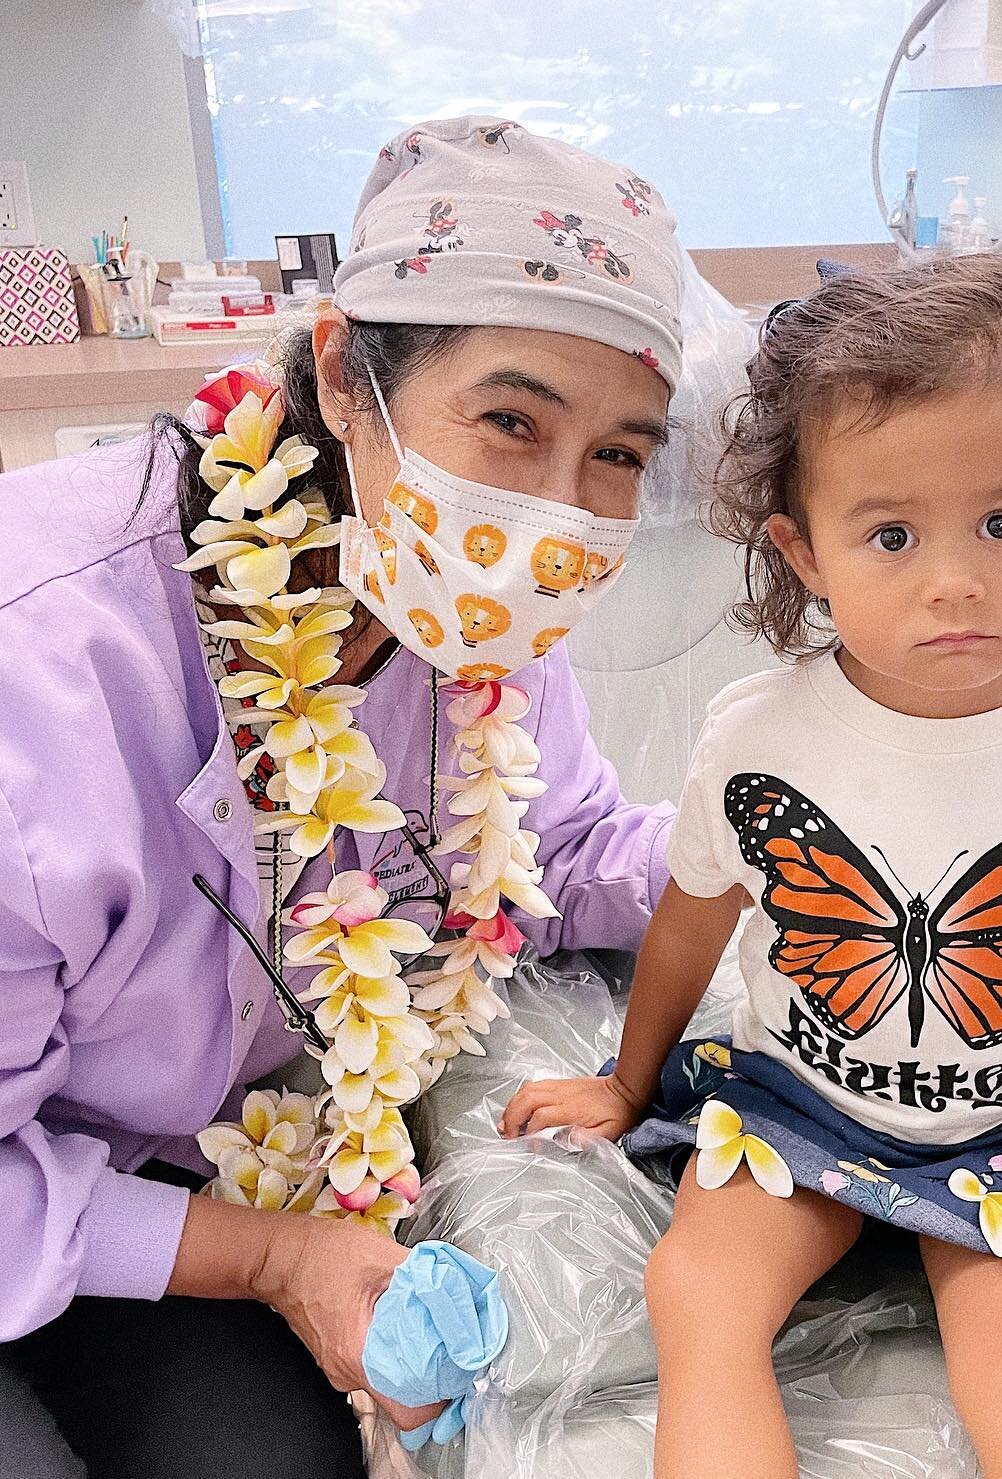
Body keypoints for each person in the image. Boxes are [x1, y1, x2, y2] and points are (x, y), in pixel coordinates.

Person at [501, 254, 1002, 1479]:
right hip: (803, 1101)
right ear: (804, 553)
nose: (955, 579)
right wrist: (628, 1085)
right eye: (891, 533)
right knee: (697, 1295)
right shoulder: (758, 738)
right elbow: (685, 926)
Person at [0, 116, 686, 1479]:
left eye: (616, 452)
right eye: (510, 420)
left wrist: (801, 846)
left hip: (164, 1178)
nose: (557, 513)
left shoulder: (470, 638)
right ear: (343, 373)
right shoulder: (45, 665)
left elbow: (566, 851)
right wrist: (271, 1256)